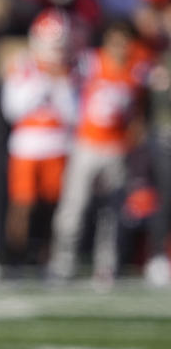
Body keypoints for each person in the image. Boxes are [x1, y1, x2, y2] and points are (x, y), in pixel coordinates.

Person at [47, 21, 150, 286]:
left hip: (116, 148)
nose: (120, 47)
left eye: (124, 41)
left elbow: (138, 111)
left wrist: (134, 137)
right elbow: (64, 71)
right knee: (73, 208)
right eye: (115, 41)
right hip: (87, 144)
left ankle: (106, 266)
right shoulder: (91, 62)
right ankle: (62, 262)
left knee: (112, 212)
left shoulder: (136, 71)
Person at [0, 8, 78, 265]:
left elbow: (75, 114)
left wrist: (60, 85)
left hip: (58, 144)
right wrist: (41, 85)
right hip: (27, 145)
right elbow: (12, 109)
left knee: (55, 206)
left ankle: (48, 256)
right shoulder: (23, 65)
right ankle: (15, 257)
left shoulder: (71, 71)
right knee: (22, 204)